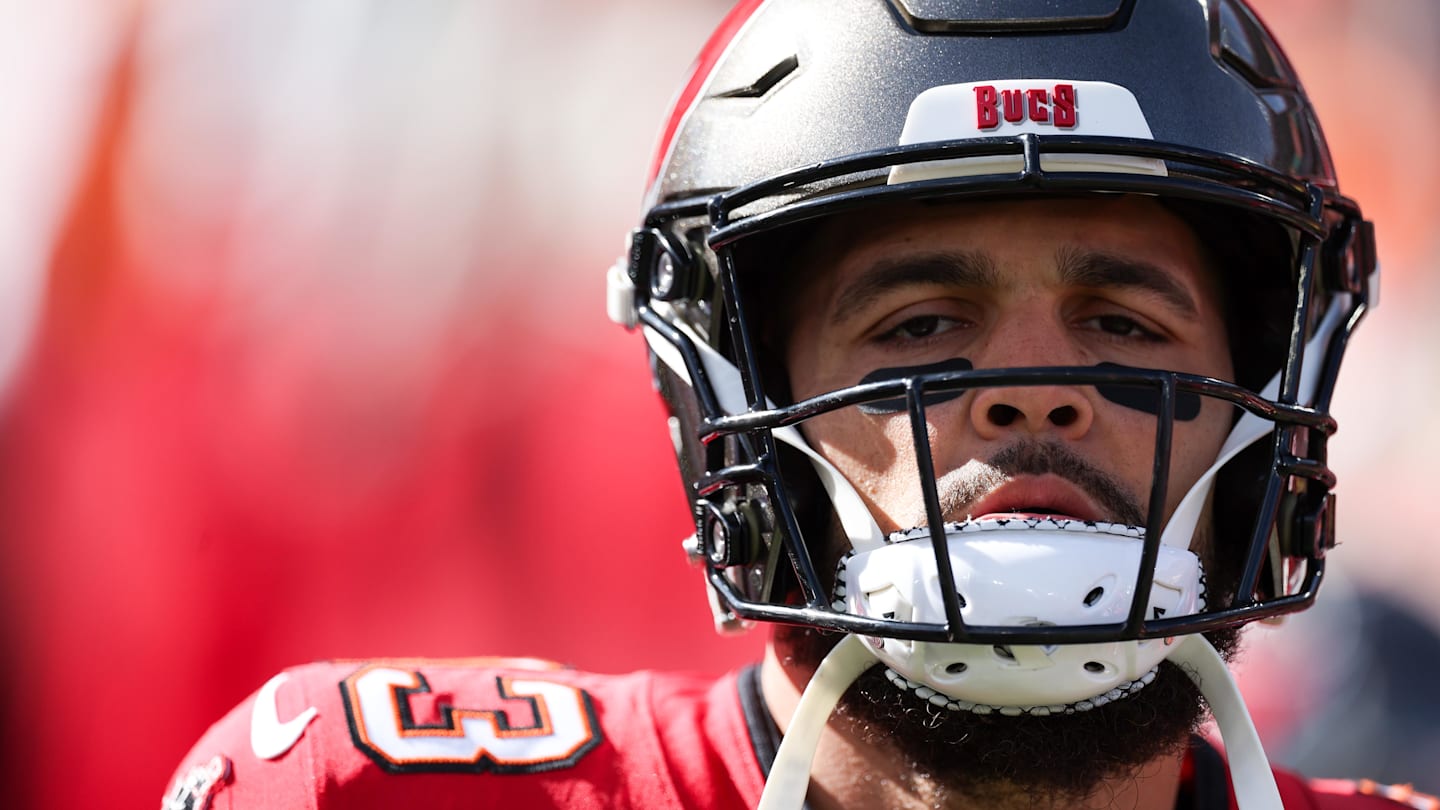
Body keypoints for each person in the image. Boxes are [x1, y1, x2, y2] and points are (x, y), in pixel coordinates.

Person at [163, 1, 1420, 808]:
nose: (1031, 393)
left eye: (1124, 325)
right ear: (734, 397)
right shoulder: (355, 787)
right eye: (920, 326)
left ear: (1265, 405)